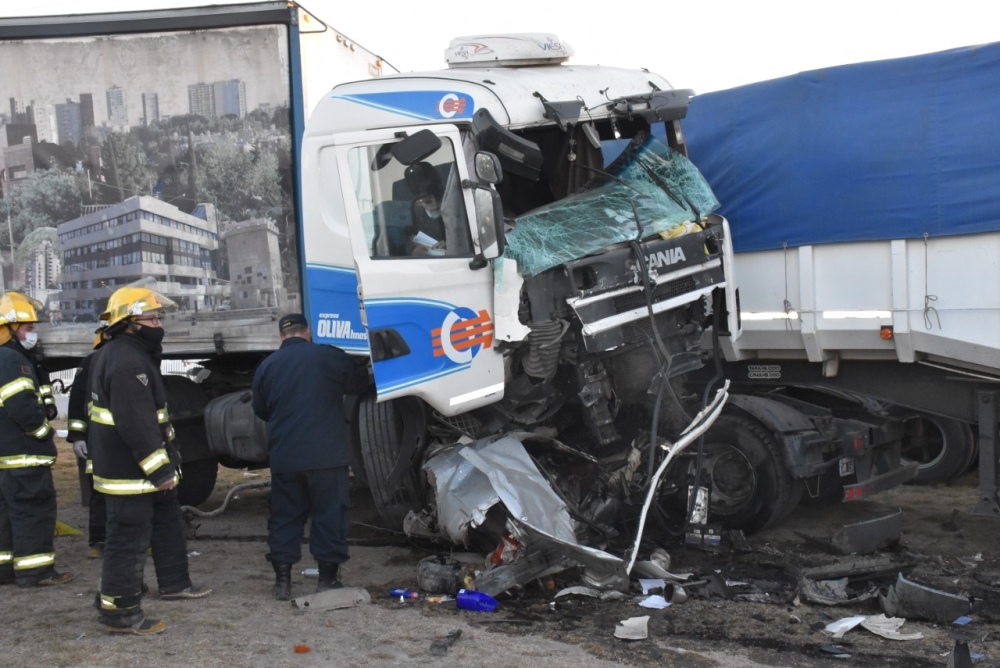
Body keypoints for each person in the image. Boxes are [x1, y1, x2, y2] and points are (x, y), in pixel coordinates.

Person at [89, 287, 210, 635]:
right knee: (128, 541)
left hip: (128, 472)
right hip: (131, 474)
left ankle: (115, 601)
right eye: (152, 319)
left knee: (128, 537)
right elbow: (137, 423)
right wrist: (160, 470)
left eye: (159, 318)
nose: (159, 325)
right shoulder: (128, 361)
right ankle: (122, 614)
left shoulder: (123, 354)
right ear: (129, 324)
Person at [251, 313, 369, 600]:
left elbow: (261, 409)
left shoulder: (267, 366)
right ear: (309, 332)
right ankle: (327, 581)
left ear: (281, 336)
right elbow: (359, 385)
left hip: (285, 457)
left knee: (285, 516)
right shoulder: (328, 357)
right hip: (326, 457)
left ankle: (282, 582)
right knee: (329, 515)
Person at [0, 291, 73, 587]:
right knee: (33, 512)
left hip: (6, 456)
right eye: (28, 328)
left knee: (5, 515)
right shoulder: (9, 358)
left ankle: (5, 570)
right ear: (9, 329)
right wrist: (45, 433)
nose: (33, 333)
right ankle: (37, 572)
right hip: (24, 455)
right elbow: (21, 407)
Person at [68, 327, 108, 559]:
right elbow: (76, 403)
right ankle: (99, 540)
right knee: (100, 492)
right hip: (97, 441)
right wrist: (78, 437)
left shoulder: (137, 359)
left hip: (120, 442)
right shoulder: (91, 363)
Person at [403, 161, 447, 256]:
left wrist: (449, 244)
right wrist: (414, 248)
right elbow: (410, 236)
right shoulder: (414, 209)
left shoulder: (454, 204)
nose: (424, 205)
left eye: (428, 201)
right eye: (419, 202)